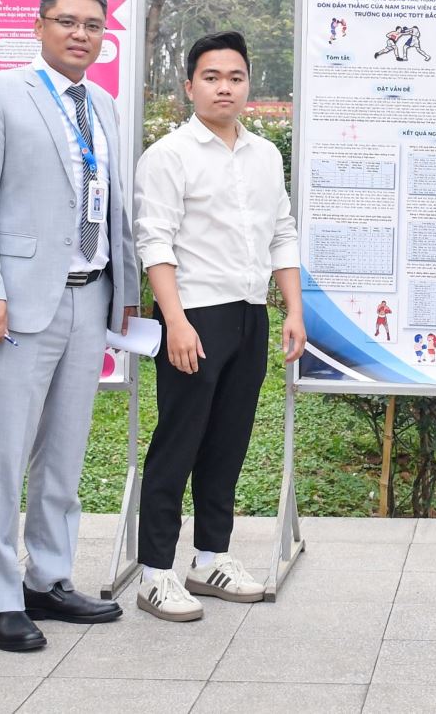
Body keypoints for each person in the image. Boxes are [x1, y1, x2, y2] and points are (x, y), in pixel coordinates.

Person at [0, 0, 138, 651]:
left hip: (91, 294)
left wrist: (124, 291)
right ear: (39, 26)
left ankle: (49, 579)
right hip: (21, 299)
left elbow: (109, 202)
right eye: (67, 21)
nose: (80, 34)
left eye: (92, 25)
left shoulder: (104, 104)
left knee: (65, 449)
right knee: (5, 453)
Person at [131, 31, 305, 622]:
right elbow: (154, 242)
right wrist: (175, 321)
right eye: (211, 77)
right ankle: (155, 573)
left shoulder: (265, 155)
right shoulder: (169, 155)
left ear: (248, 84)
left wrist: (292, 310)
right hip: (194, 317)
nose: (224, 87)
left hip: (250, 315)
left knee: (228, 443)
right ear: (190, 86)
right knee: (177, 445)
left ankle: (210, 558)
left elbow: (282, 232)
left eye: (235, 77)